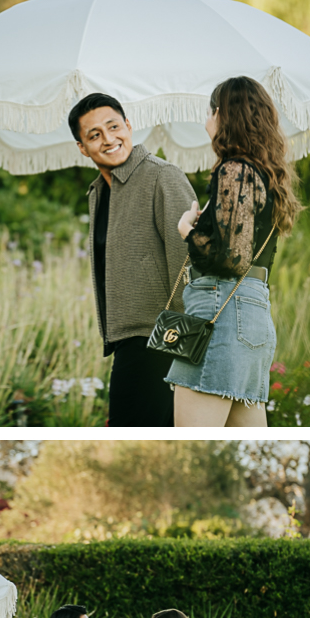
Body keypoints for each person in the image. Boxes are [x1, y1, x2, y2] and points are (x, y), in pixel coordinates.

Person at [167, 76, 304, 427]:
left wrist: (188, 230)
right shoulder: (268, 174)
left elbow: (230, 257)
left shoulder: (235, 170)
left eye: (208, 114)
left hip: (220, 313)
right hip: (253, 314)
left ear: (219, 114)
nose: (206, 123)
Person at [69, 93, 195, 427]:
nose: (108, 139)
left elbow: (190, 264)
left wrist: (182, 347)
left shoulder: (161, 176)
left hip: (163, 341)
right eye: (94, 135)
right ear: (82, 147)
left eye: (113, 127)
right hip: (128, 343)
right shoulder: (98, 192)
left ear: (128, 125)